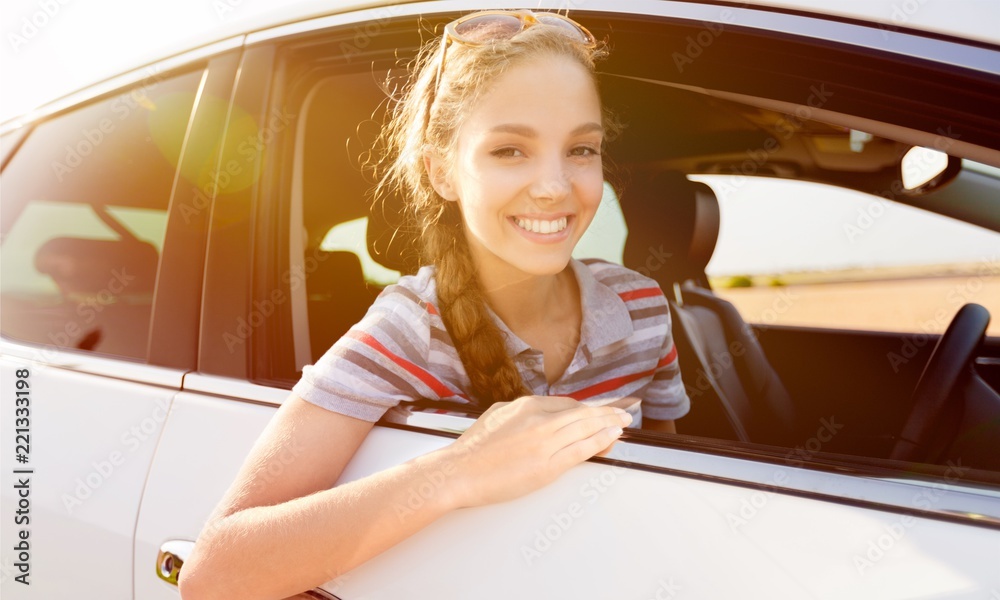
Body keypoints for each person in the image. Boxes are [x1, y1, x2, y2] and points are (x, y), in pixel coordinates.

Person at [179, 10, 689, 599]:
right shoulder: (406, 332)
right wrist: (462, 468)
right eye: (509, 150)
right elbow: (214, 575)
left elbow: (674, 487)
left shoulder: (642, 308)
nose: (554, 185)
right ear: (441, 171)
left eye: (581, 148)